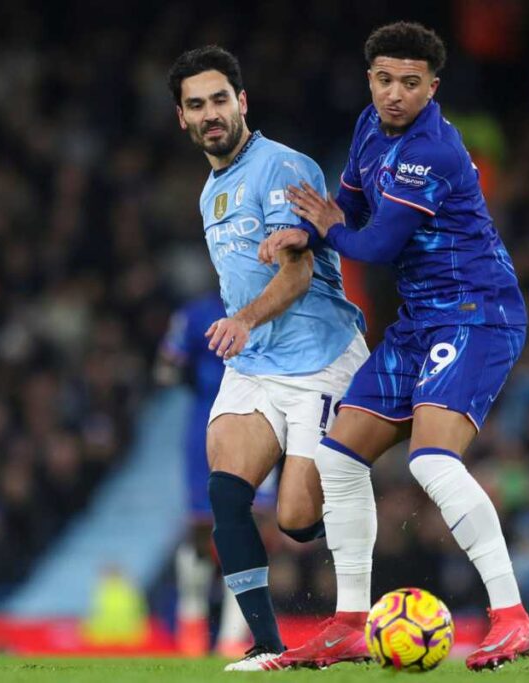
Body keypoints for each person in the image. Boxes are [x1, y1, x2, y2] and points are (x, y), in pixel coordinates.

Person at [259, 21, 529, 671]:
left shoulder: (433, 151)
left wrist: (327, 226)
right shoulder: (368, 127)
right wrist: (307, 229)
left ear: (431, 88)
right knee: (339, 455)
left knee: (431, 461)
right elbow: (348, 205)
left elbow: (375, 245)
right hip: (420, 321)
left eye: (409, 83)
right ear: (370, 79)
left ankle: (513, 617)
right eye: (384, 79)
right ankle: (350, 625)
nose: (394, 94)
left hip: (476, 313)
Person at [167, 46, 370, 671]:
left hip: (320, 358)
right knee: (225, 496)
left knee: (297, 520)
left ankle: (337, 487)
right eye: (196, 105)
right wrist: (246, 331)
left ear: (242, 102)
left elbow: (299, 272)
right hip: (256, 366)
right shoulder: (210, 192)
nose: (211, 114)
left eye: (219, 100)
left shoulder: (282, 167)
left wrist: (244, 319)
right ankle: (266, 645)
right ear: (182, 118)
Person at [154, 290, 264, 657]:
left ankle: (233, 635)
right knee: (202, 525)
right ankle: (192, 618)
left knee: (251, 525)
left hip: (259, 417)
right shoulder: (197, 314)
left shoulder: (275, 306)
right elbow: (167, 367)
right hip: (208, 417)